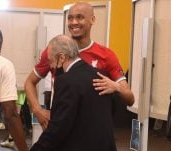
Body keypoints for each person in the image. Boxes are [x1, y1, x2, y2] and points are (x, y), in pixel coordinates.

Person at [25, 1, 134, 130]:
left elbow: (130, 98)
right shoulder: (55, 50)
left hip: (91, 133)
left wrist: (115, 86)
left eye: (80, 17)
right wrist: (38, 111)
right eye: (70, 18)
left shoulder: (106, 55)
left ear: (92, 20)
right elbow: (29, 82)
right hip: (61, 129)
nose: (74, 22)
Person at [29, 34, 123, 151]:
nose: (51, 67)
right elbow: (110, 112)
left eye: (51, 61)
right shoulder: (101, 77)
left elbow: (58, 126)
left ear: (61, 57)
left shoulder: (65, 81)